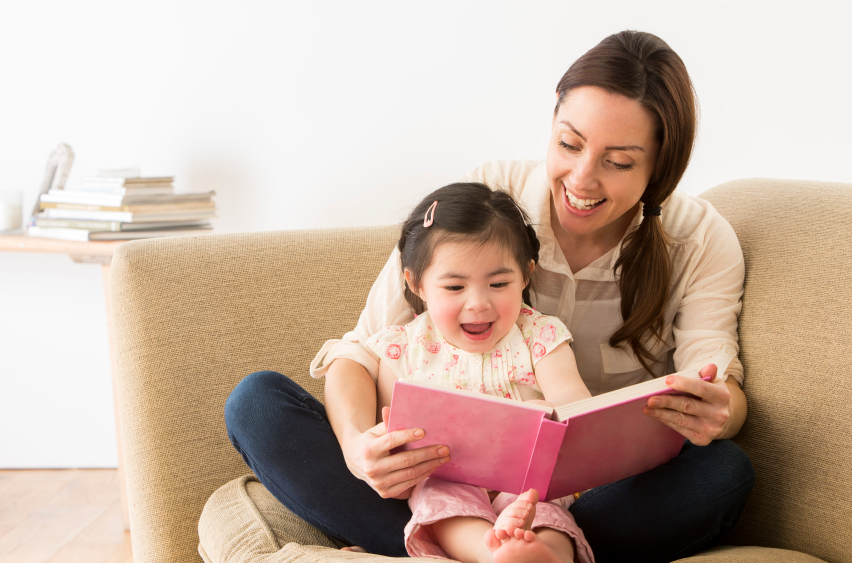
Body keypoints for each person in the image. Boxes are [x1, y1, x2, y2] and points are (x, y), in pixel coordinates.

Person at [225, 30, 755, 563]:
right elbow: (360, 351)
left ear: (659, 168)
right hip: (433, 486)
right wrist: (359, 450)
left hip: (579, 494)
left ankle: (503, 548)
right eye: (569, 144)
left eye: (618, 162)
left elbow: (721, 389)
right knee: (258, 406)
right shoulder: (488, 203)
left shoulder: (699, 240)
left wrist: (715, 411)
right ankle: (501, 552)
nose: (582, 178)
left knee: (723, 471)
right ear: (551, 125)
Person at [363, 183, 595, 563]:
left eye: (499, 284)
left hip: (528, 480)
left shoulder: (541, 335)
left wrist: (544, 416)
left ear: (525, 275)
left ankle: (546, 554)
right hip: (448, 479)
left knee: (546, 508)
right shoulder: (400, 349)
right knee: (442, 502)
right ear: (416, 284)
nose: (478, 303)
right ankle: (490, 554)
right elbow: (394, 447)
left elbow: (577, 409)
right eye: (454, 286)